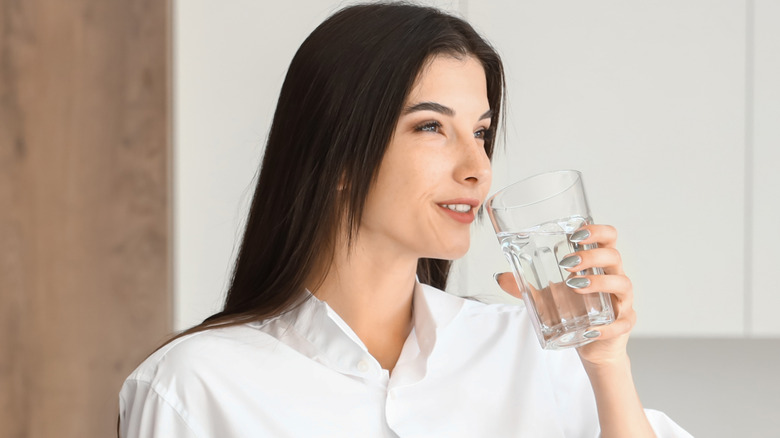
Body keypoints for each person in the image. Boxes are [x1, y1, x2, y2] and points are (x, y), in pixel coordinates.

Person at [119, 3, 691, 437]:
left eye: (482, 133)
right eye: (431, 127)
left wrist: (606, 363)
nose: (478, 169)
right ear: (339, 154)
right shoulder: (192, 388)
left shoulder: (536, 351)